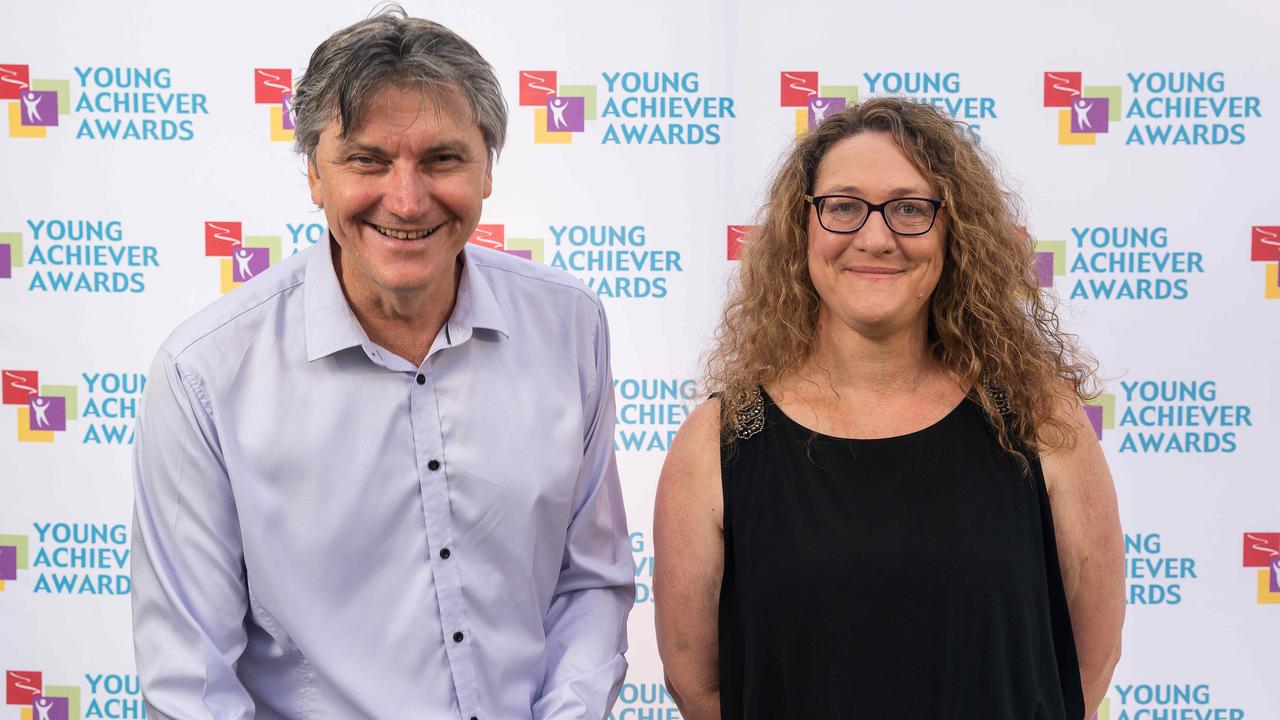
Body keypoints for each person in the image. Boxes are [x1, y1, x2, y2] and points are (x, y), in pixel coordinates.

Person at [131, 8, 633, 719]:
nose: (406, 200)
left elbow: (588, 584)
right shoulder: (203, 376)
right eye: (367, 160)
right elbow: (192, 685)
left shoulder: (568, 325)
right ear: (314, 173)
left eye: (442, 159)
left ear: (487, 167)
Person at [654, 97, 1124, 719]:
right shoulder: (720, 440)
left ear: (954, 230)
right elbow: (699, 687)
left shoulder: (1042, 423)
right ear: (803, 230)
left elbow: (1083, 670)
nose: (875, 238)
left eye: (910, 209)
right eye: (843, 207)